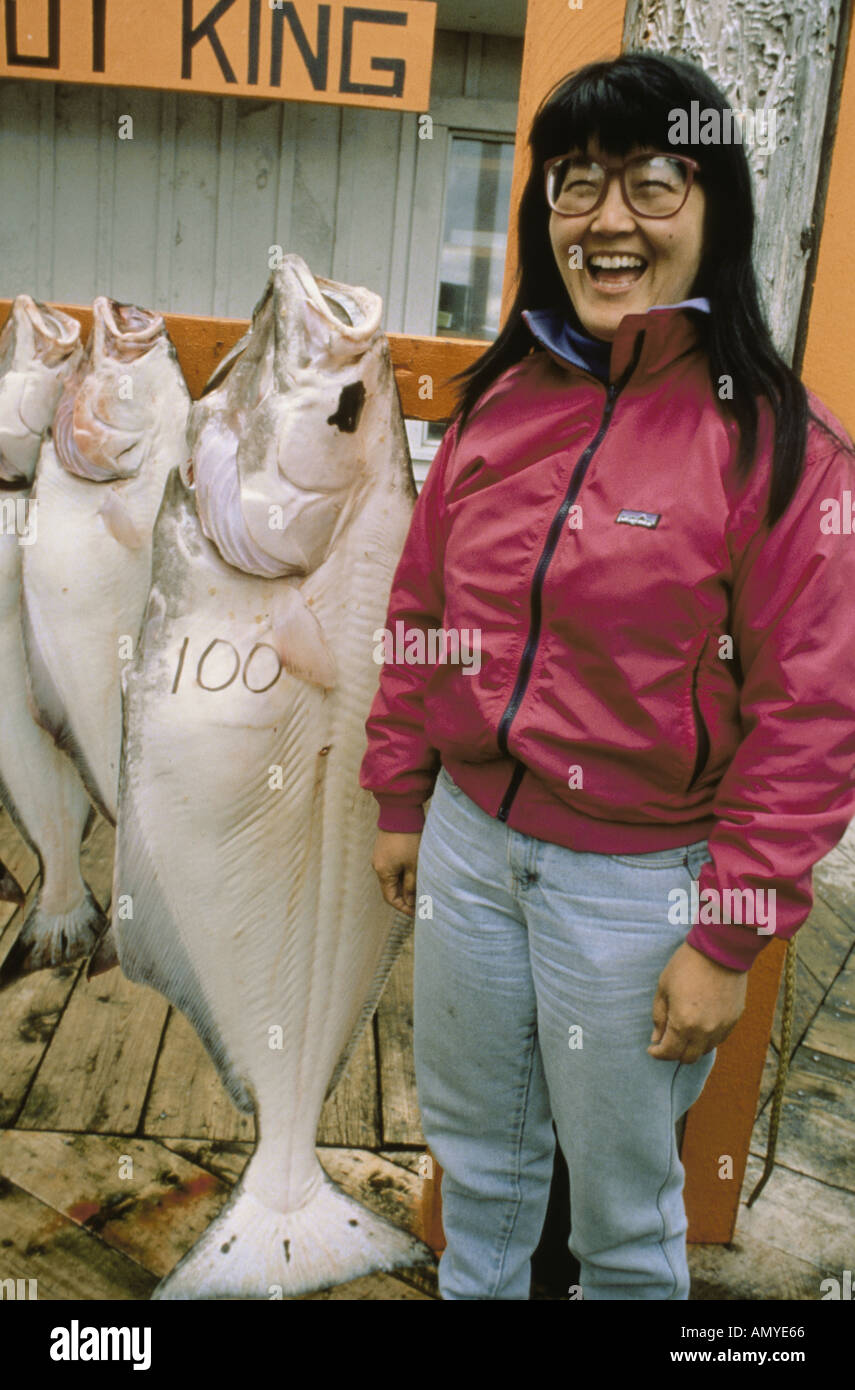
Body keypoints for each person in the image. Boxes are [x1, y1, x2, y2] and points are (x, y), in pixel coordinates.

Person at [359, 51, 855, 1300]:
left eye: (652, 181)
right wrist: (403, 793)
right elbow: (425, 606)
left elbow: (813, 719)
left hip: (637, 891)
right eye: (577, 184)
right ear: (544, 219)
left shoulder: (783, 449)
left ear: (716, 209)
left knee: (626, 1223)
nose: (608, 217)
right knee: (478, 1173)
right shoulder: (500, 401)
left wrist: (730, 936)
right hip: (473, 848)